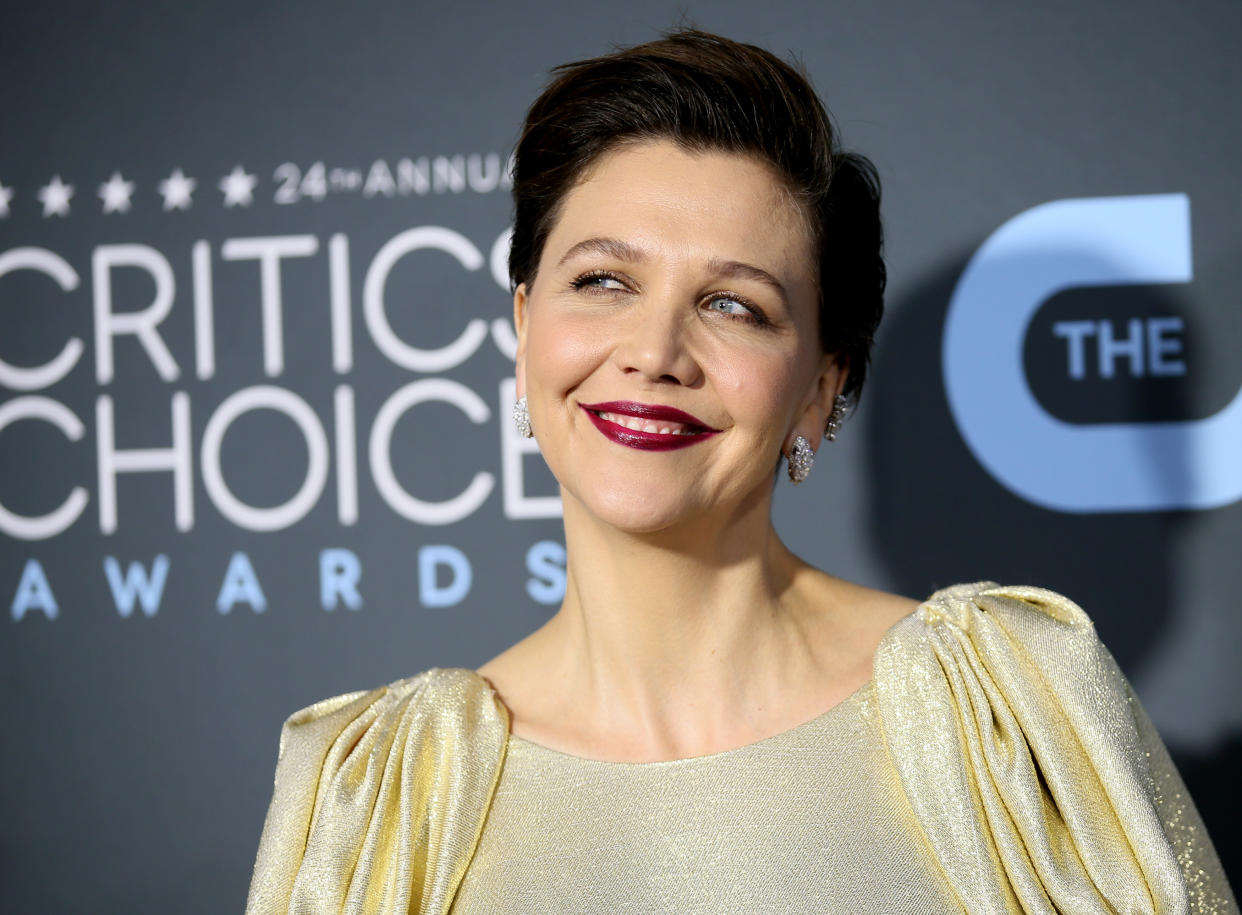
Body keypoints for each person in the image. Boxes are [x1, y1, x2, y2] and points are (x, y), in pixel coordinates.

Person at [245, 30, 1235, 914]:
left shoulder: (1013, 713)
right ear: (521, 326)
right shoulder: (378, 799)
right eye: (603, 282)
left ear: (819, 386)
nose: (654, 350)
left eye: (734, 306)